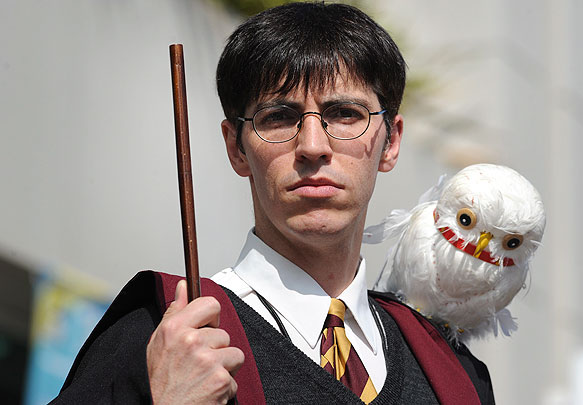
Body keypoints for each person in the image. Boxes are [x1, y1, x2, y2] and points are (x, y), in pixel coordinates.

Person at [53, 2, 494, 404]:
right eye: (279, 117)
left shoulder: (454, 374)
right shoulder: (165, 337)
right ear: (236, 148)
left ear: (391, 141)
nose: (313, 145)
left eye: (345, 114)